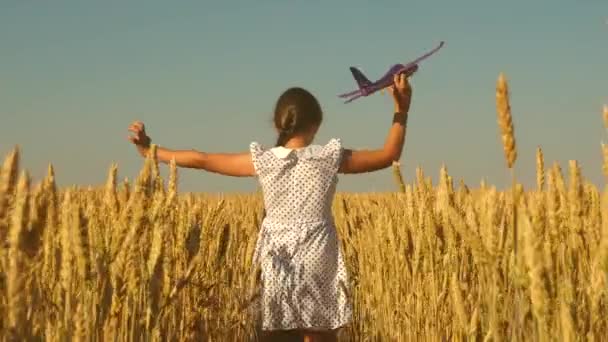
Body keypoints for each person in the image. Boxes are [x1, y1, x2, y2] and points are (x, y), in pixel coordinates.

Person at [127, 73, 412, 342]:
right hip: (318, 257)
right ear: (316, 125)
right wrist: (401, 109)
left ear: (278, 125)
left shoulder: (265, 161)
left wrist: (150, 149)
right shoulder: (328, 158)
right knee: (318, 332)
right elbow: (389, 155)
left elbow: (201, 159)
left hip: (278, 259)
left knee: (275, 331)